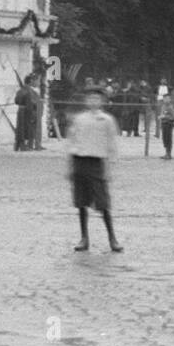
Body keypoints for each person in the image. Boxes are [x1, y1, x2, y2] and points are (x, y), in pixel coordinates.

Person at [64, 88, 122, 252]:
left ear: (102, 101)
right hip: (79, 162)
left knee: (103, 203)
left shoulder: (107, 120)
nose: (93, 102)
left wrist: (110, 168)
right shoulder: (79, 119)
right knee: (81, 202)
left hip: (97, 163)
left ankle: (112, 238)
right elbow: (70, 142)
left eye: (97, 99)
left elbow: (112, 144)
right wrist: (69, 166)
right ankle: (84, 238)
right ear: (86, 101)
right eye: (90, 98)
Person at [14, 76, 34, 151]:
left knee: (19, 128)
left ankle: (16, 146)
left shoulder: (20, 91)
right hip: (26, 112)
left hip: (20, 111)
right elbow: (29, 105)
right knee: (25, 129)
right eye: (31, 81)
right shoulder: (28, 91)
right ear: (30, 82)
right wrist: (31, 115)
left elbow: (16, 101)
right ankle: (23, 146)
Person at [158, 91, 174, 160]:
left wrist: (165, 117)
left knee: (168, 139)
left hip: (169, 124)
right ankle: (166, 153)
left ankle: (169, 154)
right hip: (163, 124)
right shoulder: (163, 106)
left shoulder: (170, 107)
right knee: (164, 139)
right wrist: (161, 117)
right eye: (165, 98)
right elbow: (162, 114)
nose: (166, 100)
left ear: (170, 99)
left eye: (168, 98)